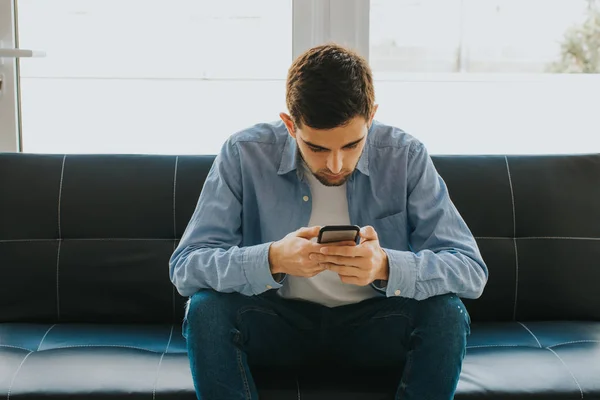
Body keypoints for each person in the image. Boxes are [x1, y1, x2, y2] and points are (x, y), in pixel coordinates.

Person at [169, 43, 488, 400]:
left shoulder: (405, 155)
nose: (336, 165)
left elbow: (470, 271)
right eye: (317, 148)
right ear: (291, 125)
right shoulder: (243, 152)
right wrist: (272, 258)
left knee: (447, 314)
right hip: (276, 324)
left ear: (371, 118)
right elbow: (186, 267)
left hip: (376, 327)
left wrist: (385, 266)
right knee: (205, 311)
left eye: (352, 145)